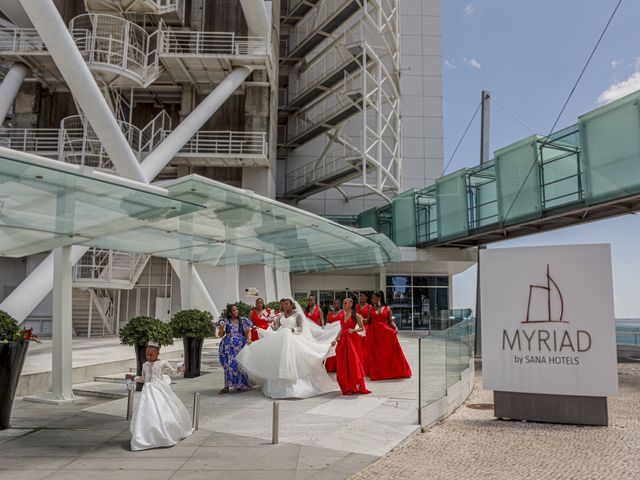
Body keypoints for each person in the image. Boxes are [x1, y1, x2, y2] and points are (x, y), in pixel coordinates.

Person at [236, 297, 339, 399]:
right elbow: (276, 328)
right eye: (283, 304)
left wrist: (291, 330)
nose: (284, 306)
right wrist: (266, 327)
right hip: (282, 340)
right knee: (281, 360)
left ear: (291, 305)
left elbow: (300, 328)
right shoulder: (281, 316)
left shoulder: (297, 315)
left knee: (294, 360)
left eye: (286, 304)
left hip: (293, 339)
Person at [127, 342, 192, 451]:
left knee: (162, 410)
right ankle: (146, 436)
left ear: (158, 353)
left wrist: (179, 370)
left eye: (151, 355)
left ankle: (164, 434)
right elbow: (144, 378)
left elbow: (172, 372)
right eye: (147, 354)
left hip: (159, 390)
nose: (148, 357)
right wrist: (134, 378)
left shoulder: (162, 363)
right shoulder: (145, 365)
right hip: (147, 391)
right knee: (146, 412)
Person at [366, 290, 412, 381]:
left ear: (379, 298)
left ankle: (390, 371)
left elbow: (390, 321)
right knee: (376, 354)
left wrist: (395, 328)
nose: (372, 299)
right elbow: (368, 321)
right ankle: (378, 373)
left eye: (373, 297)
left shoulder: (387, 309)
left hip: (385, 334)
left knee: (387, 354)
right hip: (374, 335)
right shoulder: (371, 309)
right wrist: (357, 320)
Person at [332, 298, 370, 395]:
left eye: (345, 303)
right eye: (343, 303)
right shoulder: (342, 316)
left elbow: (362, 328)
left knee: (353, 364)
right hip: (343, 341)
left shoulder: (356, 316)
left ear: (351, 305)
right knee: (343, 365)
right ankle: (347, 387)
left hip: (353, 341)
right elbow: (341, 329)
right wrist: (335, 339)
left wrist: (354, 330)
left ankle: (356, 386)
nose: (343, 305)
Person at [216, 304, 253, 394]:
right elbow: (220, 335)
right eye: (233, 310)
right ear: (229, 312)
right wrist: (221, 329)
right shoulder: (225, 321)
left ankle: (238, 385)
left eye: (237, 310)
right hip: (227, 346)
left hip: (239, 345)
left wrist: (249, 339)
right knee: (228, 365)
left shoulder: (242, 321)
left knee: (237, 365)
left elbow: (248, 331)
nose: (236, 311)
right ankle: (226, 387)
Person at [324, 298, 343, 373]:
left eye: (336, 304)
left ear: (339, 304)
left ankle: (338, 366)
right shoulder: (330, 313)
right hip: (331, 332)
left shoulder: (343, 312)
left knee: (337, 348)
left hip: (339, 332)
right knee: (330, 347)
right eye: (334, 304)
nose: (335, 305)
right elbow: (328, 322)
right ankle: (330, 366)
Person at [356, 292, 372, 375]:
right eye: (360, 296)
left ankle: (366, 368)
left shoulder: (369, 307)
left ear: (366, 298)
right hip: (358, 328)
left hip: (366, 329)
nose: (361, 297)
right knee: (358, 349)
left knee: (366, 350)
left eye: (362, 296)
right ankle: (359, 368)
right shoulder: (356, 306)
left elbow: (370, 319)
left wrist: (362, 320)